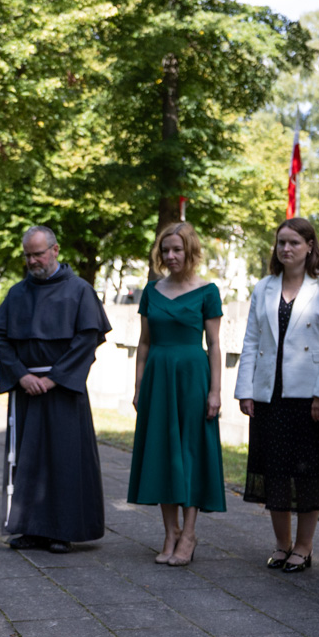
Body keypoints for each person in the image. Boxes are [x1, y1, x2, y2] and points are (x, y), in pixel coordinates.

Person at [0, 226, 112, 553]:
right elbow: (3, 338)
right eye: (28, 255)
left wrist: (54, 378)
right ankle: (30, 528)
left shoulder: (80, 290)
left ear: (55, 250)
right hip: (26, 389)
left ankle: (62, 530)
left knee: (65, 458)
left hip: (63, 389)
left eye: (38, 254)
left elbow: (86, 340)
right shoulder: (17, 293)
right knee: (27, 458)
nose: (32, 261)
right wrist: (21, 375)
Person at [234, 217, 319, 573]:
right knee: (275, 470)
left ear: (310, 246)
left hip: (310, 396)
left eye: (294, 242)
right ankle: (282, 545)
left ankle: (304, 546)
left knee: (308, 471)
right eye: (281, 242)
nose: (286, 248)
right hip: (269, 394)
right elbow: (251, 341)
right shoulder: (264, 287)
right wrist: (246, 390)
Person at [126, 222, 226, 565]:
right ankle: (170, 533)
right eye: (165, 250)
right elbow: (144, 343)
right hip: (158, 379)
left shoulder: (208, 291)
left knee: (190, 452)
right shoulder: (151, 291)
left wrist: (215, 392)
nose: (170, 256)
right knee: (162, 452)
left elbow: (215, 345)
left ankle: (189, 534)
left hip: (192, 379)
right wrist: (139, 387)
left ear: (190, 251)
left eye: (177, 249)